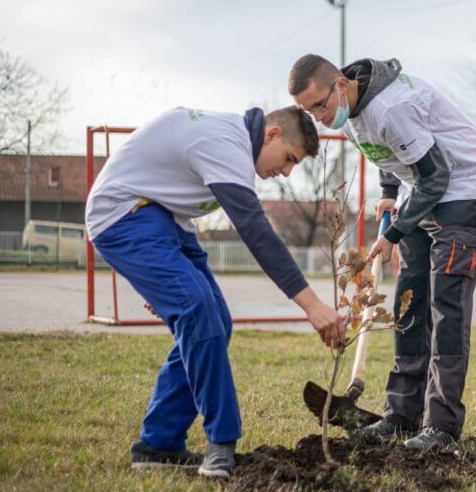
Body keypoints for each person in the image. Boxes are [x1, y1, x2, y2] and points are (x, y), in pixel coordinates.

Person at [86, 106, 345, 478]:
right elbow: (256, 232)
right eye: (289, 158)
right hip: (124, 214)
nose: (286, 172)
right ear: (271, 134)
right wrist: (312, 305)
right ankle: (221, 442)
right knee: (198, 310)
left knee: (215, 321)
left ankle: (158, 444)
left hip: (166, 218)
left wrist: (164, 283)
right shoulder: (225, 143)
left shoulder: (232, 143)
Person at [289, 55, 476, 451]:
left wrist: (397, 231)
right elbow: (385, 150)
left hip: (461, 187)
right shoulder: (348, 114)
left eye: (320, 105)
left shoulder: (391, 107)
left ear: (342, 86)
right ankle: (401, 416)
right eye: (307, 110)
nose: (317, 116)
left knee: (446, 308)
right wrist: (388, 195)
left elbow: (437, 175)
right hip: (419, 190)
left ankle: (442, 426)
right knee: (409, 304)